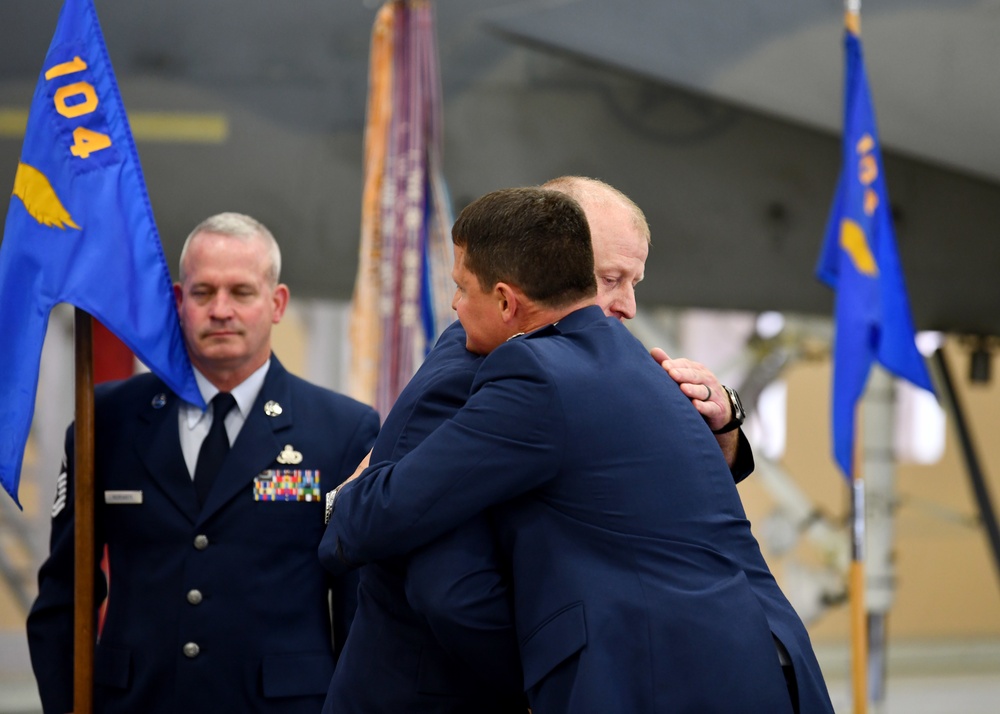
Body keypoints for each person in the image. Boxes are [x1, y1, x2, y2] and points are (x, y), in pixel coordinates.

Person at [323, 187, 834, 713]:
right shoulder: (499, 364)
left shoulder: (562, 365)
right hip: (751, 662)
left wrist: (348, 494)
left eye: (633, 281)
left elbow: (448, 576)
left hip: (659, 672)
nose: (628, 306)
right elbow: (447, 575)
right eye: (610, 279)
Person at [27, 213, 380, 714]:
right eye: (203, 292)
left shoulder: (342, 432)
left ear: (276, 303)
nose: (220, 310)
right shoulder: (106, 421)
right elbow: (64, 594)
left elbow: (359, 611)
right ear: (177, 299)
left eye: (241, 292)